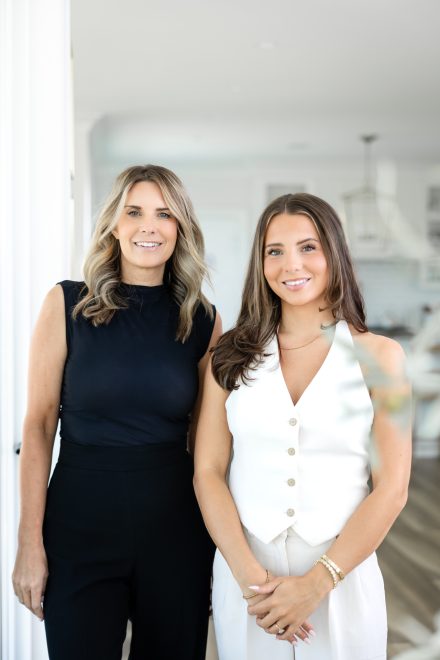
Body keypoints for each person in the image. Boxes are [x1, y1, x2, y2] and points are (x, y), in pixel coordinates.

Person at [12, 164, 222, 660]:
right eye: (135, 212)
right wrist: (28, 543)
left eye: (164, 214)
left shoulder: (203, 320)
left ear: (181, 229)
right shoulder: (66, 305)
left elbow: (210, 444)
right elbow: (39, 426)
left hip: (176, 531)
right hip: (78, 529)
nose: (149, 226)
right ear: (113, 223)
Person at [194, 192, 411, 660]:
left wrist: (317, 583)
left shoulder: (382, 358)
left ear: (334, 252)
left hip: (342, 579)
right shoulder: (228, 358)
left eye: (308, 247)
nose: (292, 264)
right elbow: (208, 471)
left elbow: (392, 487)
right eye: (275, 251)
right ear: (261, 262)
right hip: (249, 583)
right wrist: (251, 580)